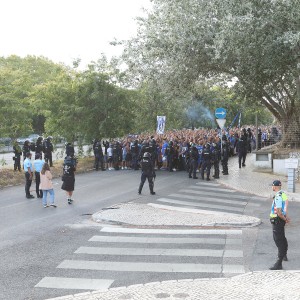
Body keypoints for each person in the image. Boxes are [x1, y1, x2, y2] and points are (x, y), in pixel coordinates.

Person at [269, 180, 289, 270]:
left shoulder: (278, 196)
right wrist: (285, 217)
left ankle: (279, 262)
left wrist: (285, 219)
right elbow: (285, 208)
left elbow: (279, 212)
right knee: (282, 238)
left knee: (278, 240)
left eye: (272, 186)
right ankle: (284, 254)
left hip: (278, 220)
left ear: (275, 186)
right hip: (281, 220)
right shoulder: (283, 194)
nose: (272, 187)